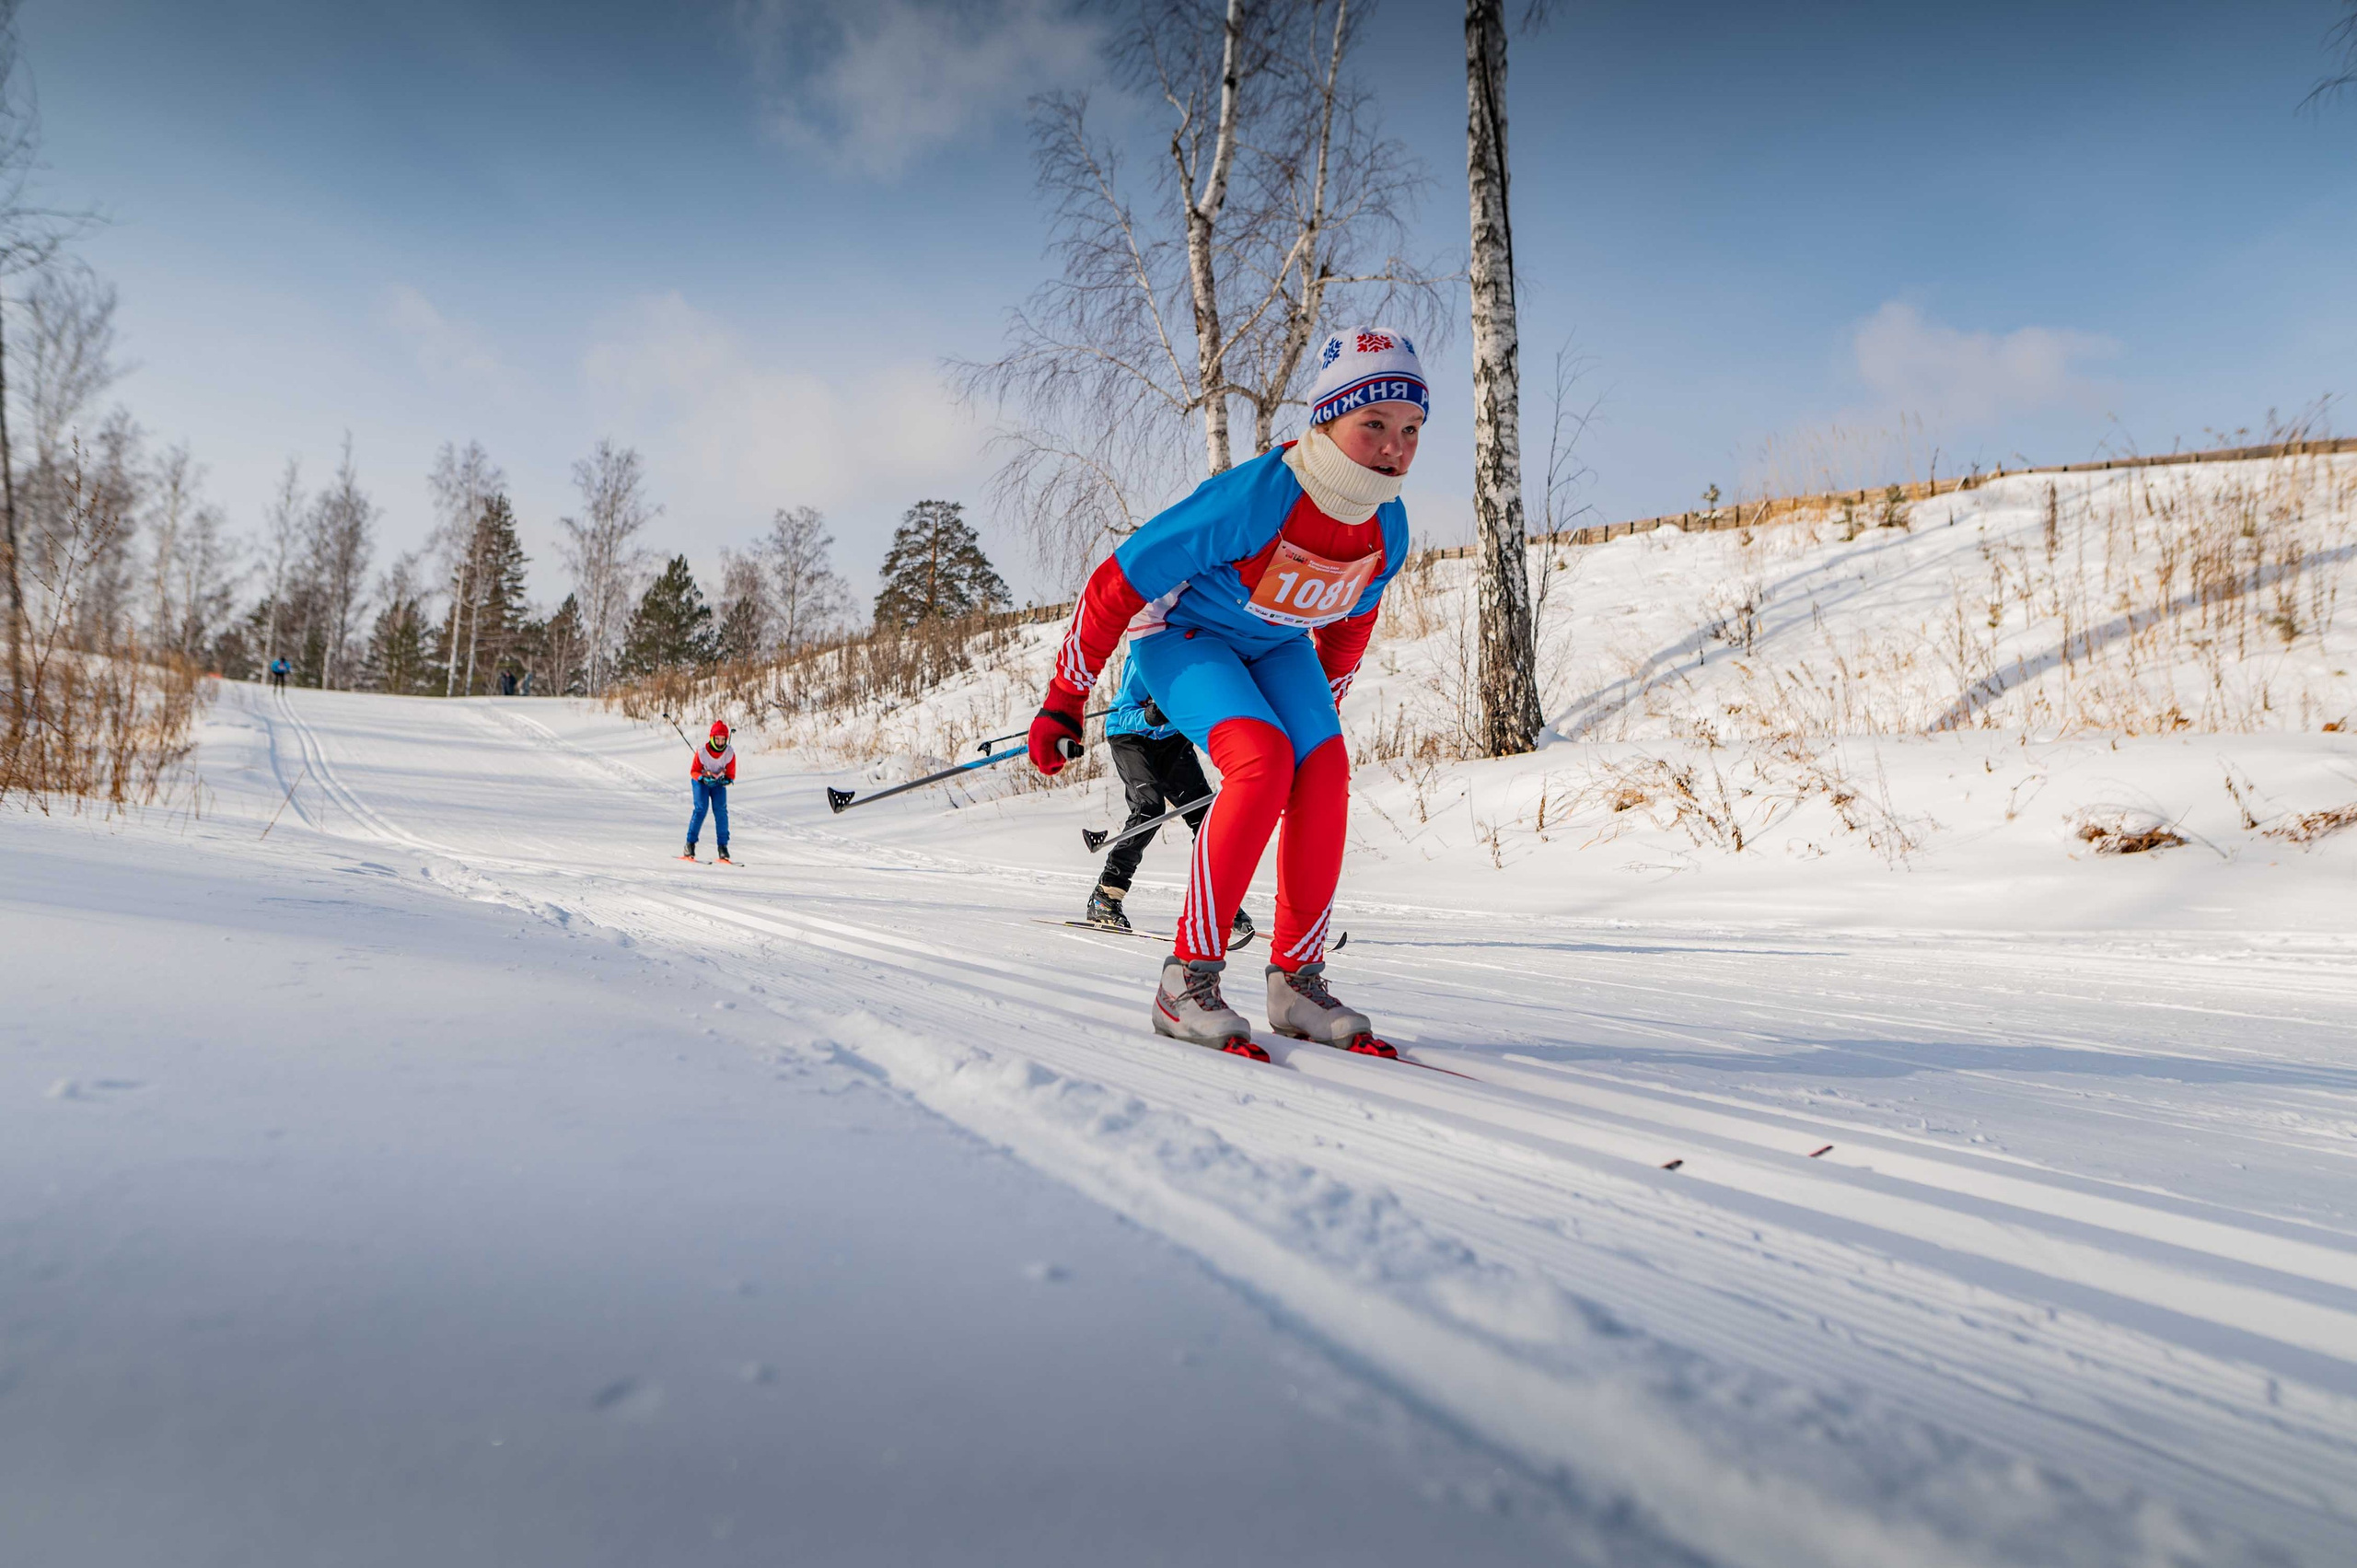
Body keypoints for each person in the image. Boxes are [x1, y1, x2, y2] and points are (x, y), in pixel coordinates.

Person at [1029, 327, 1423, 1060]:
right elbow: (1117, 581)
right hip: (1184, 633)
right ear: (1326, 420)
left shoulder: (1386, 527)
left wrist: (1324, 707)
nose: (1394, 446)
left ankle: (1298, 981)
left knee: (1324, 765)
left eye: (1409, 429)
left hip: (1277, 644)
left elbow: (1352, 617)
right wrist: (1064, 694)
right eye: (1373, 424)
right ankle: (1187, 981)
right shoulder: (1258, 497)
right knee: (1262, 759)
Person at [1086, 657, 1257, 949]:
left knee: (1206, 816)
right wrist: (1148, 717)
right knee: (1149, 808)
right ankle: (1106, 895)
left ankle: (1219, 903)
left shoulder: (1206, 661)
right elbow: (1123, 713)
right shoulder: (1146, 659)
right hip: (1131, 736)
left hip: (1173, 741)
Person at [681, 720, 735, 864]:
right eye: (717, 739)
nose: (720, 742)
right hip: (701, 783)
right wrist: (702, 779)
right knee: (701, 809)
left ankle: (723, 847)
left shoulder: (729, 753)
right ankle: (690, 844)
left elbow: (731, 774)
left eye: (723, 739)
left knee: (721, 811)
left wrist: (727, 780)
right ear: (712, 738)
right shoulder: (702, 752)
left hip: (717, 783)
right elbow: (693, 771)